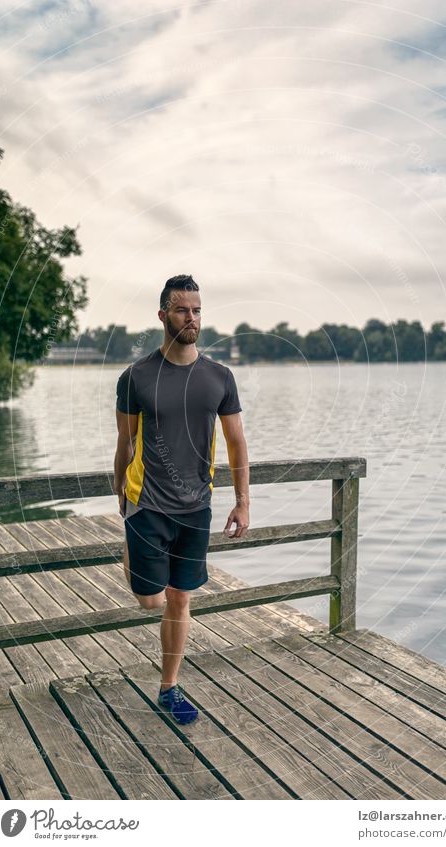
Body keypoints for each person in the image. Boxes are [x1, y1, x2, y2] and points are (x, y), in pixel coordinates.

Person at [113, 274, 250, 724]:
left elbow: (236, 444)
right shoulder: (135, 377)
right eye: (181, 310)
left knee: (180, 598)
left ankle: (169, 688)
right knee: (150, 600)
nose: (191, 318)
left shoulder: (219, 377)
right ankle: (130, 549)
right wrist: (121, 498)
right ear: (162, 316)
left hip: (196, 507)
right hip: (146, 504)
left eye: (196, 310)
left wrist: (242, 500)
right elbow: (126, 444)